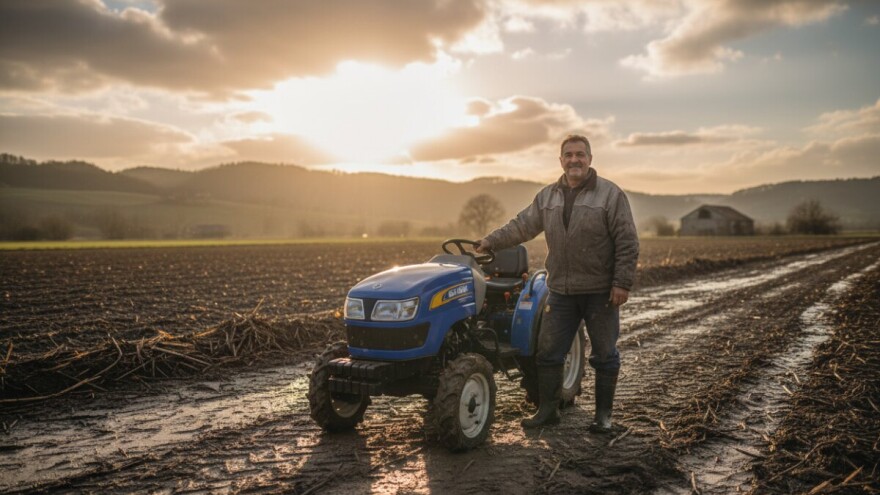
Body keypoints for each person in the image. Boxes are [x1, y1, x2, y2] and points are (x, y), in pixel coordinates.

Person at [476, 134, 639, 432]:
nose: (574, 160)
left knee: (604, 355)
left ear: (590, 159)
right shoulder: (547, 196)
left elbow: (627, 241)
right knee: (548, 352)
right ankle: (548, 411)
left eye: (580, 154)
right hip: (561, 291)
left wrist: (622, 283)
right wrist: (491, 241)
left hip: (600, 291)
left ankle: (603, 416)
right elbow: (522, 225)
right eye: (569, 155)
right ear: (561, 160)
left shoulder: (610, 195)